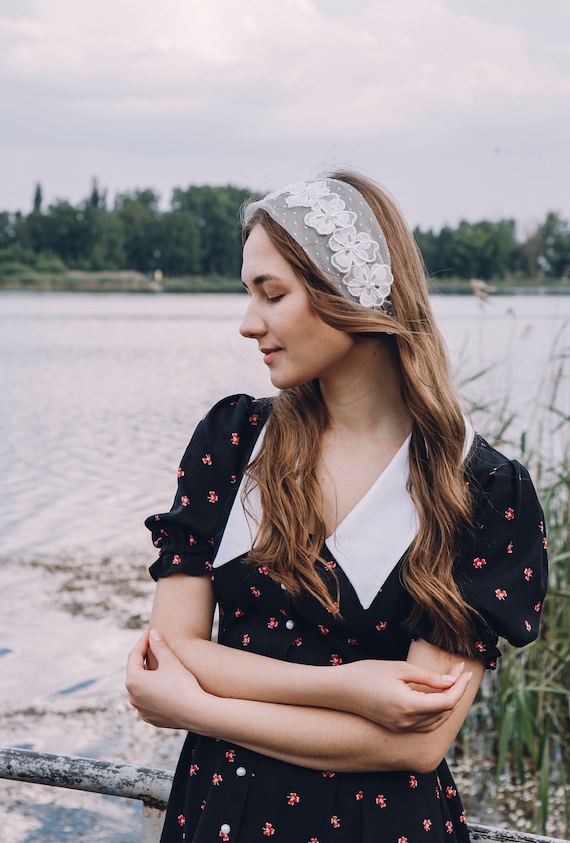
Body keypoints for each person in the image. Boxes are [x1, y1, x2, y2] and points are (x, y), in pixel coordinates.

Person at [126, 171, 548, 843]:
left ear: (347, 295)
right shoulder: (234, 441)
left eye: (272, 293)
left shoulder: (480, 486)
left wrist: (198, 706)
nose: (247, 322)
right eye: (248, 293)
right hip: (220, 816)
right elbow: (171, 648)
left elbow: (417, 744)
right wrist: (353, 689)